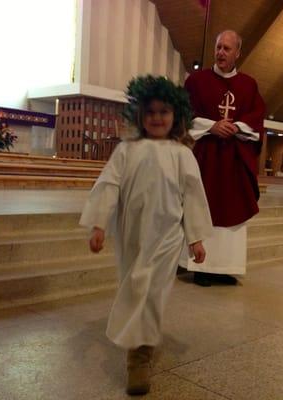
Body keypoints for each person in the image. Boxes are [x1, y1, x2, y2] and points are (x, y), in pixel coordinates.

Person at [79, 75, 212, 395]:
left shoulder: (182, 155)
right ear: (140, 115)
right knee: (136, 286)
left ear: (176, 116)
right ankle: (138, 344)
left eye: (164, 111)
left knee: (151, 293)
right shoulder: (127, 150)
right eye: (150, 111)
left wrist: (195, 236)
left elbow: (192, 196)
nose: (157, 117)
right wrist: (99, 223)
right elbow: (109, 185)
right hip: (133, 235)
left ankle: (138, 358)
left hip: (167, 237)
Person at [183, 30, 266, 287]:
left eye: (227, 49)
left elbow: (257, 117)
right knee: (203, 206)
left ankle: (224, 268)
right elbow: (184, 114)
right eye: (218, 47)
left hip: (233, 160)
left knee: (233, 208)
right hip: (206, 158)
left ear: (238, 53)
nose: (220, 52)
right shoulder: (196, 81)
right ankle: (201, 267)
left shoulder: (248, 85)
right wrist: (211, 126)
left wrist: (237, 127)